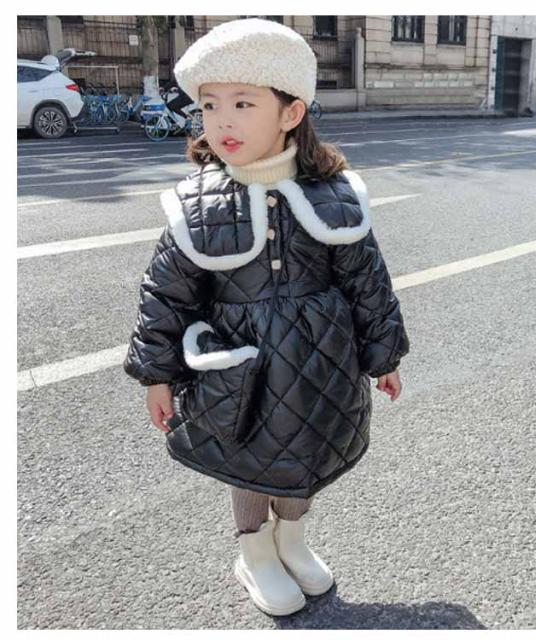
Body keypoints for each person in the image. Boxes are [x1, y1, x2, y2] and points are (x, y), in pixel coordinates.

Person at [122, 18, 410, 617]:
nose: (222, 121)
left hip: (322, 360)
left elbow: (366, 279)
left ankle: (292, 539)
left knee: (310, 449)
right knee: (249, 453)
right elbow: (165, 293)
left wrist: (383, 355)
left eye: (243, 103)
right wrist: (157, 375)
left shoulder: (334, 194)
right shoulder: (197, 204)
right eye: (209, 105)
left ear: (290, 112)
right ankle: (254, 550)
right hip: (241, 367)